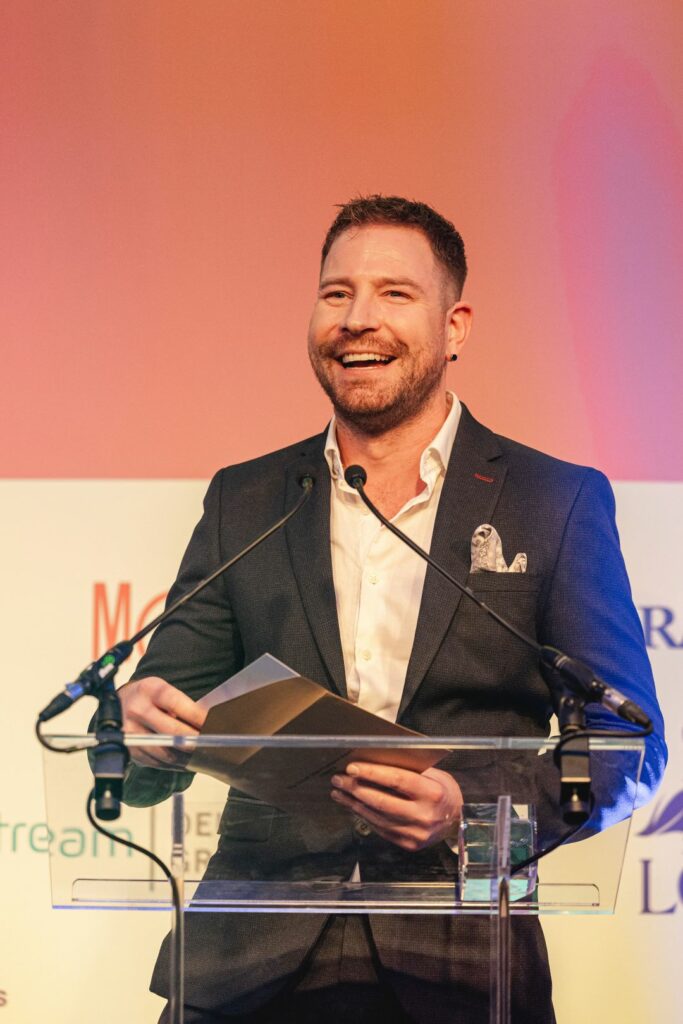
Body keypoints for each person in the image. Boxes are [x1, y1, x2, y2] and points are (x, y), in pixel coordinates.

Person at [118, 196, 666, 1023]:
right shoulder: (249, 498)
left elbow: (626, 743)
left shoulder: (551, 501)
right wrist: (139, 727)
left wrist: (471, 809)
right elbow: (164, 711)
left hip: (458, 966)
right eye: (335, 293)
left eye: (393, 294)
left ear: (455, 327)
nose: (357, 319)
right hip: (246, 965)